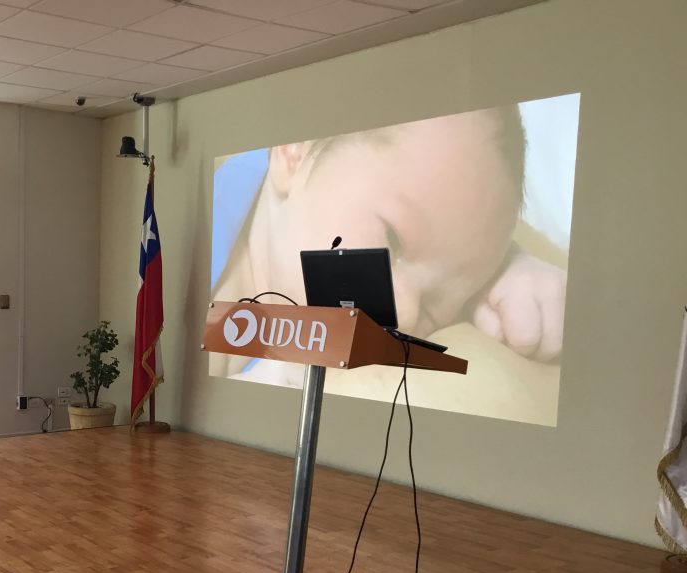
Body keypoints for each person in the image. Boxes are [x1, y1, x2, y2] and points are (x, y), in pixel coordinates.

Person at [210, 100, 574, 425]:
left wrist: (510, 270)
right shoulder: (197, 234)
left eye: (435, 307)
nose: (406, 315)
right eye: (393, 238)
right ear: (295, 152)